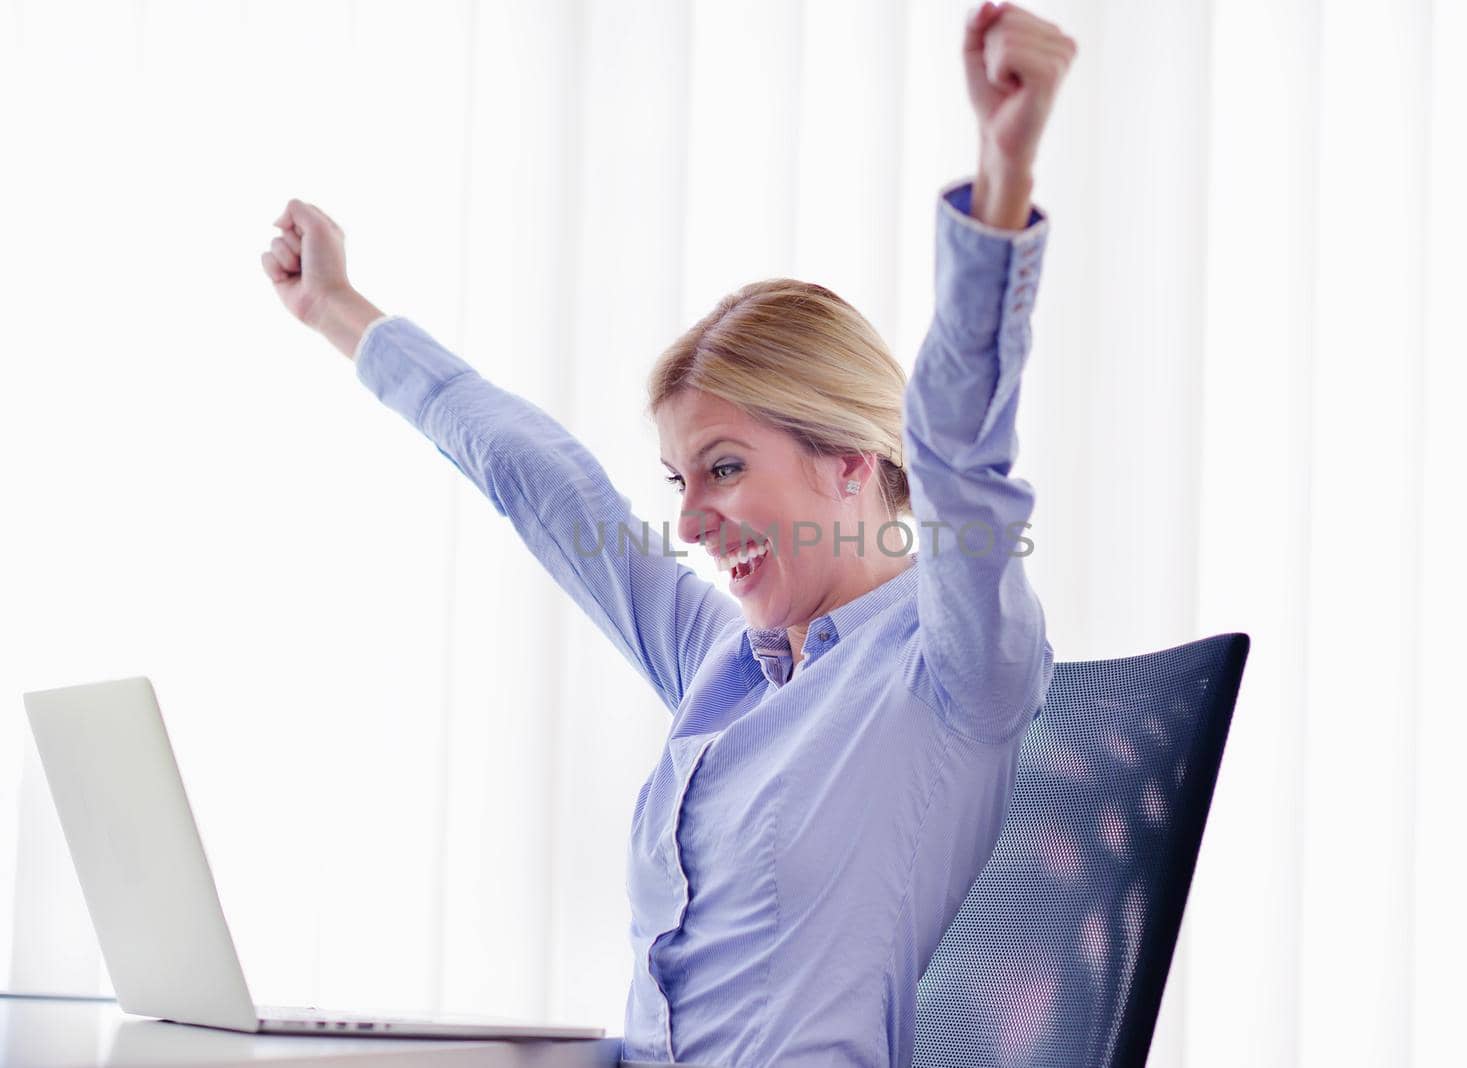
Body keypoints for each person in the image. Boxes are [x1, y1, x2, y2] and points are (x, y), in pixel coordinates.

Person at [261, 3, 1076, 1064]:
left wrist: (1001, 178)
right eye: (679, 481)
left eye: (725, 469)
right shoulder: (722, 664)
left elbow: (964, 452)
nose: (689, 522)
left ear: (847, 460)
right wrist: (337, 310)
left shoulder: (955, 665)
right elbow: (546, 488)